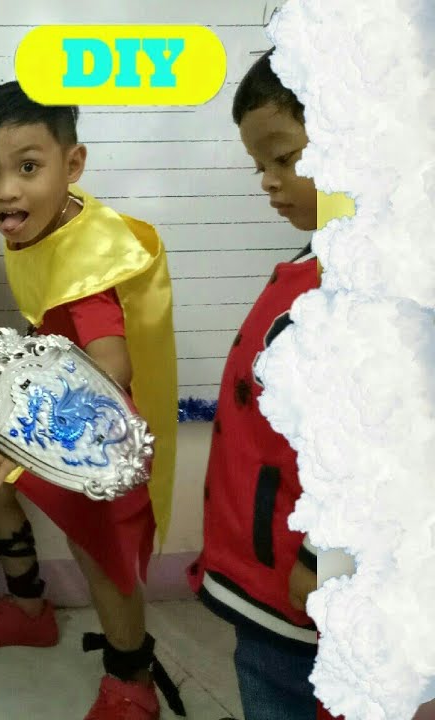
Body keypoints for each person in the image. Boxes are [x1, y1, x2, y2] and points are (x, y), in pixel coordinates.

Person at [0, 81, 184, 720]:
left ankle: (131, 679)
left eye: (28, 167)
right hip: (59, 404)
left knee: (100, 551)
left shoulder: (87, 264)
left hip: (100, 427)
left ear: (72, 164)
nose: (6, 191)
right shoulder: (46, 221)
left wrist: (23, 433)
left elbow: (111, 366)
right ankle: (29, 609)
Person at [186, 48, 343, 720]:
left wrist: (321, 555)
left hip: (303, 587)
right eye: (260, 166)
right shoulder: (314, 266)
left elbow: (371, 446)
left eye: (284, 158)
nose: (269, 182)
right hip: (268, 581)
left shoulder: (363, 295)